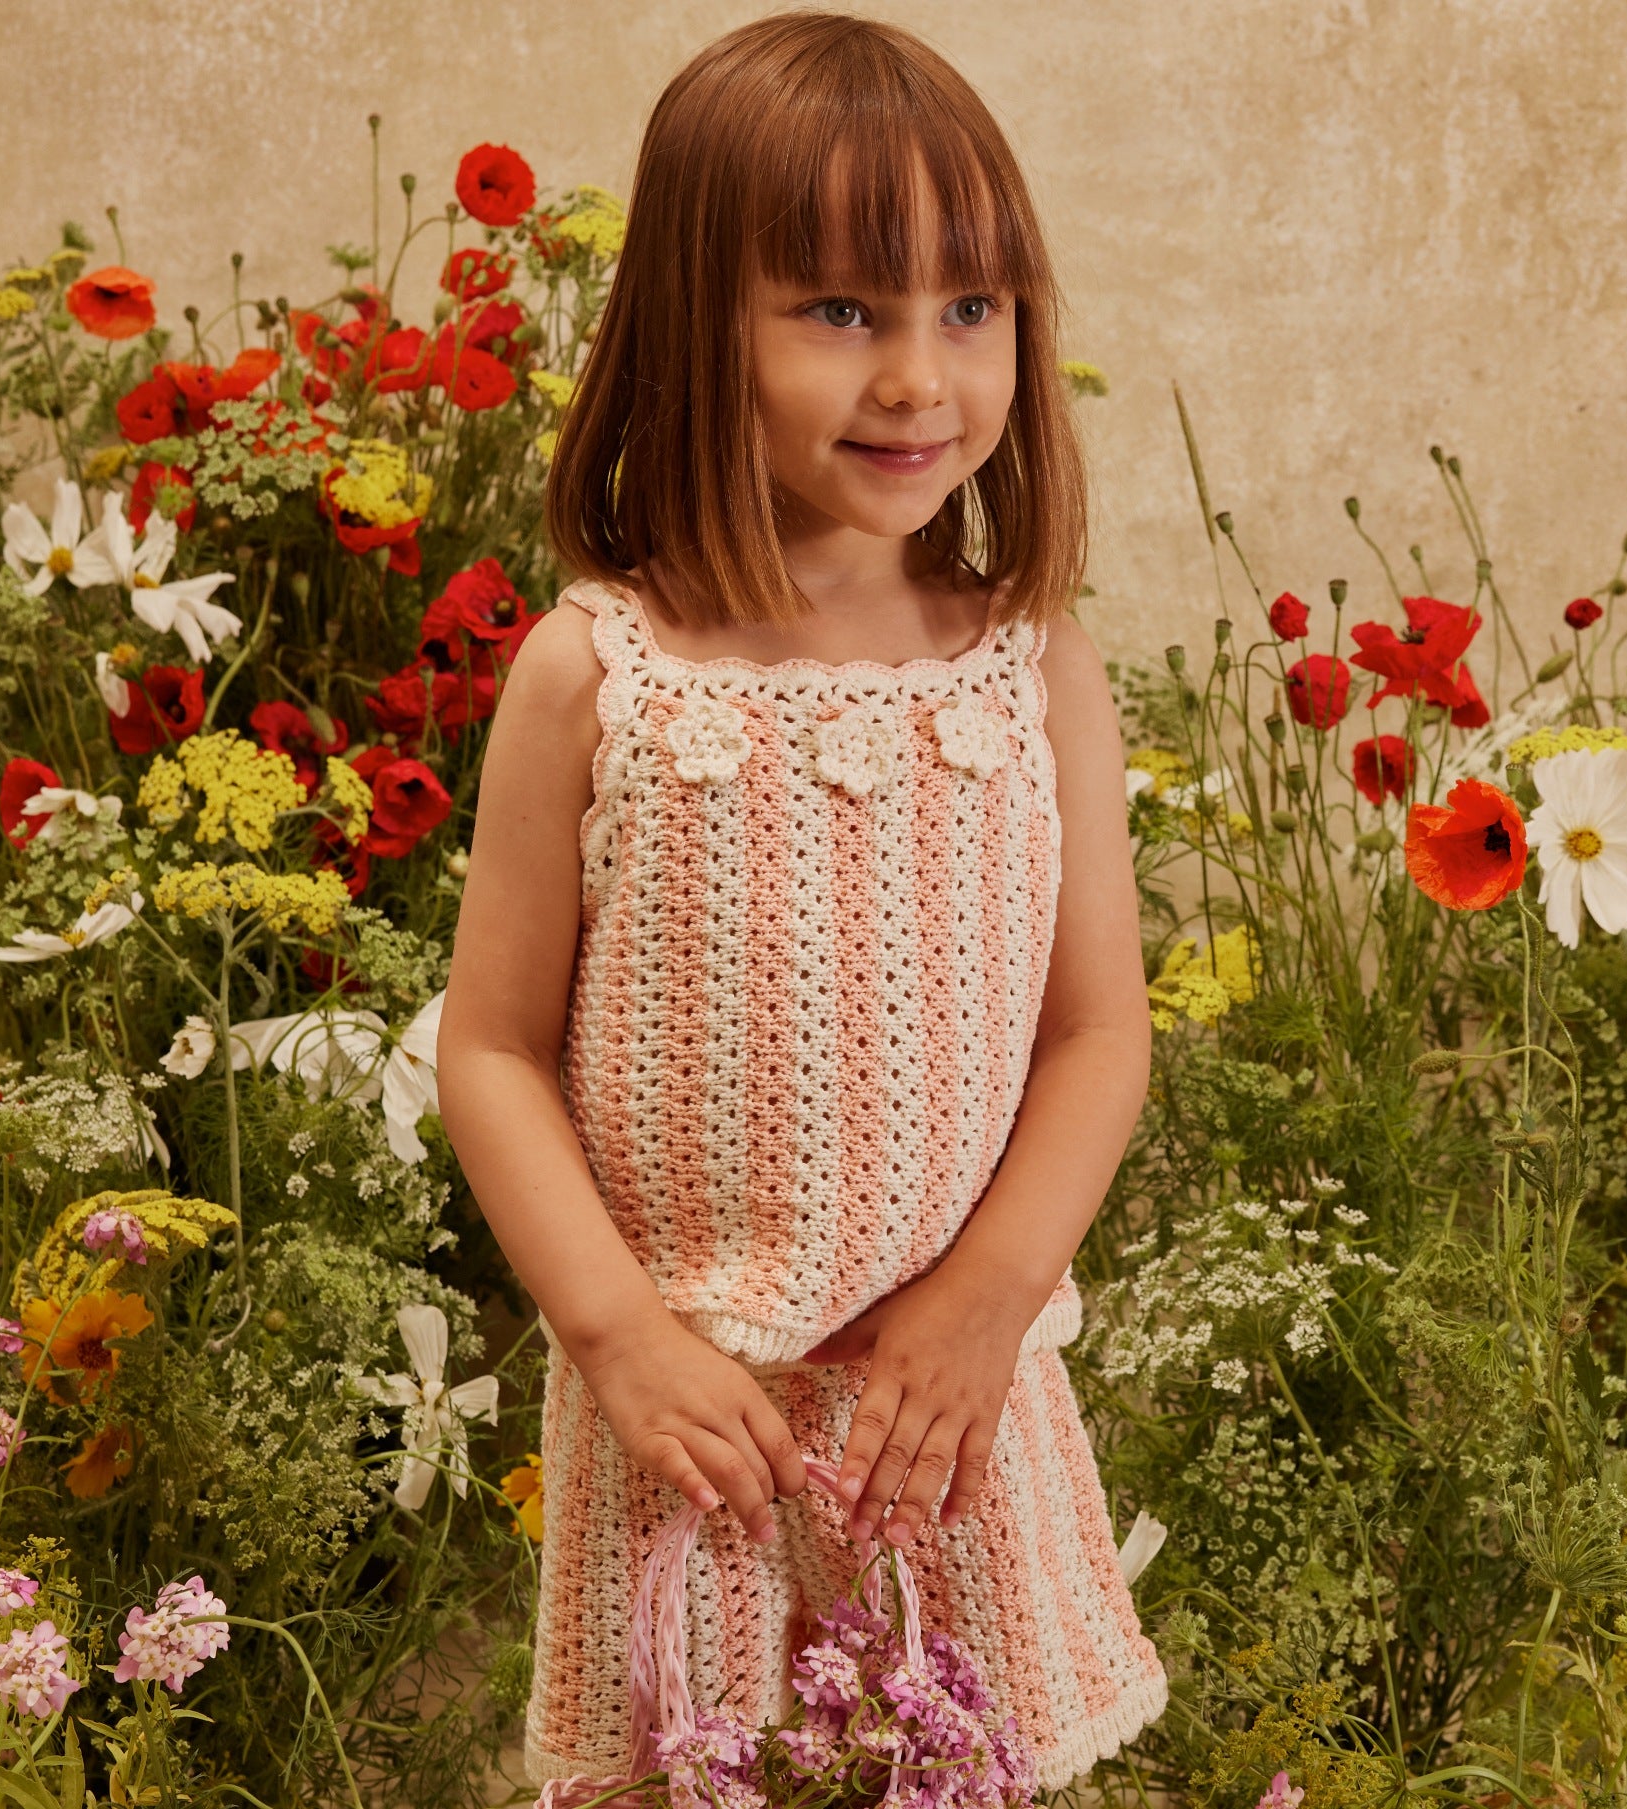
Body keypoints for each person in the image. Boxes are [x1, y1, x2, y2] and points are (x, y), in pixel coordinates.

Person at [434, 12, 1167, 1790]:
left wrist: (993, 1287)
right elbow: (491, 1050)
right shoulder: (594, 675)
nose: (920, 377)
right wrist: (617, 1336)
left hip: (944, 1419)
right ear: (700, 324)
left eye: (969, 309)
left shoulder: (1027, 668)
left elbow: (1097, 1032)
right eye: (843, 311)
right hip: (697, 1427)